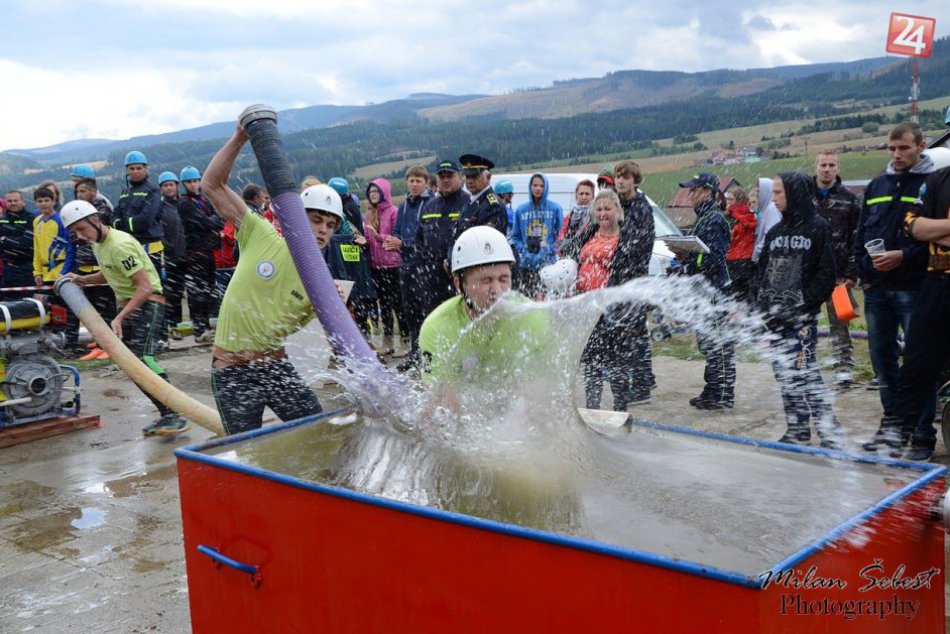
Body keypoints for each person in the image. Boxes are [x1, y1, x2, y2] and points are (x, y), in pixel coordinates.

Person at [200, 120, 330, 435]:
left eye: (330, 224)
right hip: (233, 373)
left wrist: (333, 308)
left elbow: (339, 342)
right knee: (247, 453)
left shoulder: (321, 282)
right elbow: (212, 185)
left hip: (277, 368)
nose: (323, 230)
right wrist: (240, 136)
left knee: (321, 437)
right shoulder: (262, 235)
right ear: (298, 218)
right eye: (316, 220)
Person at [61, 200, 190, 436]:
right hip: (132, 306)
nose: (80, 236)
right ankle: (167, 414)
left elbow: (144, 288)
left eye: (81, 229)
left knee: (142, 360)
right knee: (132, 367)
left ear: (95, 220)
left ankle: (176, 413)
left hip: (149, 304)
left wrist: (120, 317)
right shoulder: (100, 244)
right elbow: (110, 273)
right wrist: (82, 279)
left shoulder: (119, 245)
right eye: (74, 233)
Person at [856, 123, 936, 454]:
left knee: (918, 364)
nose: (897, 154)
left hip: (915, 288)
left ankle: (920, 435)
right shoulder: (877, 184)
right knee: (883, 363)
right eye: (891, 148)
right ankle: (891, 432)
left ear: (921, 146)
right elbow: (861, 234)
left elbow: (935, 240)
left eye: (903, 148)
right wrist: (865, 269)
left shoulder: (934, 185)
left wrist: (904, 256)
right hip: (877, 290)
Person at [873, 152, 950, 461]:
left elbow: (923, 227)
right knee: (916, 366)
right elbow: (911, 226)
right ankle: (896, 443)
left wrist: (936, 228)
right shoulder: (937, 180)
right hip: (936, 285)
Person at [755, 172, 841, 448]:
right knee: (784, 372)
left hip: (801, 319)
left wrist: (805, 303)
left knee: (805, 371)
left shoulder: (817, 227)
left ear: (795, 194)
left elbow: (826, 274)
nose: (774, 198)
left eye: (779, 192)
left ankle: (829, 431)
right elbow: (762, 271)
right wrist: (761, 301)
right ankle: (797, 428)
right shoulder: (776, 231)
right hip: (774, 318)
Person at [419, 225, 547, 385]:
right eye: (485, 281)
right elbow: (441, 402)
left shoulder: (532, 318)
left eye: (503, 279)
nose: (497, 290)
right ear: (459, 285)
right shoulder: (437, 327)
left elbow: (541, 393)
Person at [669, 172, 734, 409]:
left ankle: (724, 393)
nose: (691, 194)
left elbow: (713, 259)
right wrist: (685, 256)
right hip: (704, 291)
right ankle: (712, 389)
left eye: (694, 190)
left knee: (719, 342)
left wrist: (688, 263)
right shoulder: (703, 218)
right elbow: (700, 256)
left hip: (715, 291)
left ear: (708, 191)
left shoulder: (714, 219)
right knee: (707, 343)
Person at [572, 190, 636, 411]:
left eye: (607, 208)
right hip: (588, 309)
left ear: (618, 211)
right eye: (598, 209)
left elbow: (630, 276)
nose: (602, 213)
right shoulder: (589, 234)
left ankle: (621, 411)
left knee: (617, 364)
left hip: (612, 311)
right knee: (592, 363)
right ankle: (592, 410)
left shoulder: (626, 240)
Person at [813, 150, 861, 385]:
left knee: (840, 324)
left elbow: (856, 238)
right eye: (823, 164)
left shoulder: (849, 199)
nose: (827, 169)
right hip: (809, 275)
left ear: (838, 168)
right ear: (816, 167)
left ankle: (844, 370)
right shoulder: (803, 197)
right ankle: (804, 367)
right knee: (805, 323)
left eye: (831, 164)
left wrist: (851, 274)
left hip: (838, 275)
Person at [414, 159, 466, 331]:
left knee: (460, 321)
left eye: (449, 175)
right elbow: (419, 239)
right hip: (431, 279)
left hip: (458, 276)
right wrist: (424, 267)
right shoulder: (430, 206)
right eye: (441, 176)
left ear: (459, 176)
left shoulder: (468, 204)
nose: (445, 180)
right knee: (434, 323)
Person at [389, 165, 430, 365]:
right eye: (412, 181)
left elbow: (427, 240)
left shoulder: (431, 204)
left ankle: (428, 354)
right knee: (410, 312)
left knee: (425, 312)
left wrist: (404, 244)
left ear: (426, 183)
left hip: (424, 268)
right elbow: (398, 230)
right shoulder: (403, 206)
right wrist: (393, 241)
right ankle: (415, 354)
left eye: (418, 181)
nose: (415, 184)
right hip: (405, 266)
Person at [178, 165, 222, 343]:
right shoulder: (185, 203)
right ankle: (199, 328)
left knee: (209, 290)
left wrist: (210, 222)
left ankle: (205, 326)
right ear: (184, 184)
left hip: (208, 251)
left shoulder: (204, 200)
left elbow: (218, 220)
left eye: (195, 181)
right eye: (189, 182)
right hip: (194, 253)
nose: (193, 185)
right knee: (197, 293)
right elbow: (204, 222)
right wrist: (210, 222)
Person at [112, 151, 166, 285]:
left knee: (152, 287)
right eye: (132, 168)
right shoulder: (125, 193)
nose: (136, 172)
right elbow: (114, 216)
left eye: (139, 168)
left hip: (151, 250)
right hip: (131, 250)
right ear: (127, 170)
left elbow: (145, 220)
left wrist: (123, 225)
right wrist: (119, 223)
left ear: (145, 168)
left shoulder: (153, 191)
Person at [363, 178, 402, 355]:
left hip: (392, 265)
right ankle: (387, 342)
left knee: (397, 305)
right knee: (384, 306)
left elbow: (395, 239)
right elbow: (368, 238)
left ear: (384, 192)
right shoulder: (369, 214)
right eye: (370, 192)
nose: (373, 195)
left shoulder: (394, 212)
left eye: (376, 191)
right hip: (375, 266)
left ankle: (404, 340)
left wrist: (378, 236)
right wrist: (364, 241)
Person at [510, 172, 563, 296]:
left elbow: (561, 236)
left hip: (548, 265)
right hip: (526, 265)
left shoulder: (555, 209)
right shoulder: (520, 210)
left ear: (546, 188)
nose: (538, 189)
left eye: (541, 186)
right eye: (535, 185)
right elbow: (515, 237)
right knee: (528, 302)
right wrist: (524, 251)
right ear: (530, 187)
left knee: (547, 302)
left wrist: (548, 249)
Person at [451, 154, 508, 258]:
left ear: (488, 177)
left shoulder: (493, 205)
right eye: (468, 176)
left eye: (475, 176)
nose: (470, 181)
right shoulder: (471, 201)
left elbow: (488, 245)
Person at [158, 172, 187, 347]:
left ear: (177, 186)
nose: (169, 188)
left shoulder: (184, 204)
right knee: (170, 293)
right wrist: (167, 246)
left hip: (185, 254)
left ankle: (178, 325)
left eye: (171, 184)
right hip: (169, 256)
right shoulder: (160, 207)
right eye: (165, 185)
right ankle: (172, 325)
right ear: (161, 188)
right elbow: (158, 230)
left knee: (181, 291)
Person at [0, 189, 37, 293]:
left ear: (23, 201)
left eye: (16, 200)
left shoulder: (31, 219)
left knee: (27, 303)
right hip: (7, 270)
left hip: (26, 269)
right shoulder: (2, 220)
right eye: (10, 201)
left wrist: (5, 240)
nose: (13, 203)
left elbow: (26, 243)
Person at [724, 186, 757, 302]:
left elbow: (728, 239)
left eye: (730, 199)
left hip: (732, 261)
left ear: (738, 201)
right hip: (747, 261)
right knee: (745, 298)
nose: (727, 202)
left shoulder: (730, 218)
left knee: (732, 298)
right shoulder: (751, 216)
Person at [558, 179, 595, 259]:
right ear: (576, 195)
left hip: (587, 256)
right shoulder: (569, 217)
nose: (584, 197)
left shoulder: (596, 216)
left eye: (587, 194)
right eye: (581, 193)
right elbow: (561, 235)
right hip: (569, 256)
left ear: (593, 196)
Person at [752, 177, 782, 263]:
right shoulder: (767, 209)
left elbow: (770, 234)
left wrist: (756, 254)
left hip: (769, 258)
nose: (756, 194)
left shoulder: (772, 208)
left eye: (759, 191)